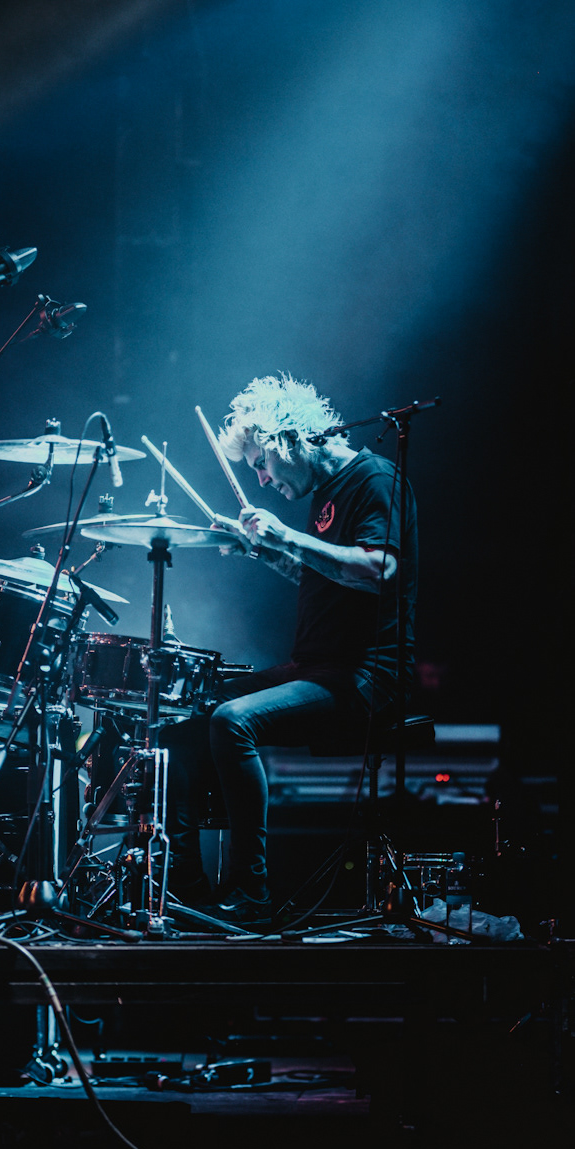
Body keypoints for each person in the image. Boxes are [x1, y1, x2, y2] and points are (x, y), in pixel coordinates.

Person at [162, 374, 418, 929]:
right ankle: (184, 889)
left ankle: (249, 895)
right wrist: (258, 548)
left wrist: (287, 536)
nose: (259, 477)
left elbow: (380, 571)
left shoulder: (374, 478)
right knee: (182, 714)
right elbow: (321, 576)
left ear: (290, 442)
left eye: (261, 463)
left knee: (233, 722)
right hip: (319, 665)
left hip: (369, 672)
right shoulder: (321, 490)